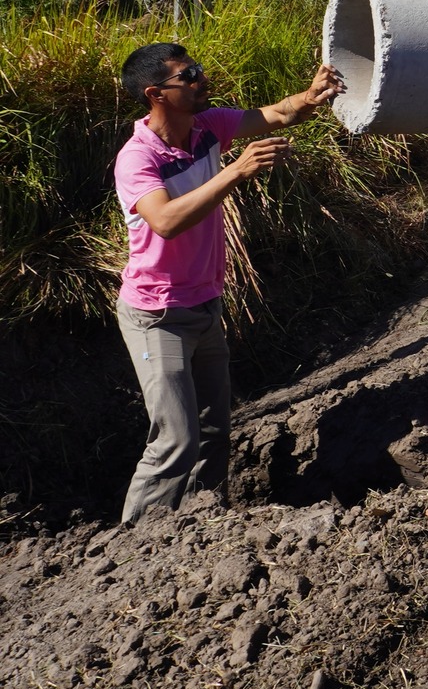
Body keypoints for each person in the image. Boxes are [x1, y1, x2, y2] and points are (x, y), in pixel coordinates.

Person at [112, 42, 342, 522]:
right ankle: (133, 543)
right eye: (189, 75)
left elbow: (277, 113)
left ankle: (201, 527)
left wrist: (311, 95)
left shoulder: (207, 127)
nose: (202, 80)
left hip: (205, 305)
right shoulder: (138, 158)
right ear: (156, 94)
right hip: (157, 314)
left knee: (215, 431)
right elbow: (166, 221)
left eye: (198, 69)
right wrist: (236, 171)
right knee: (176, 438)